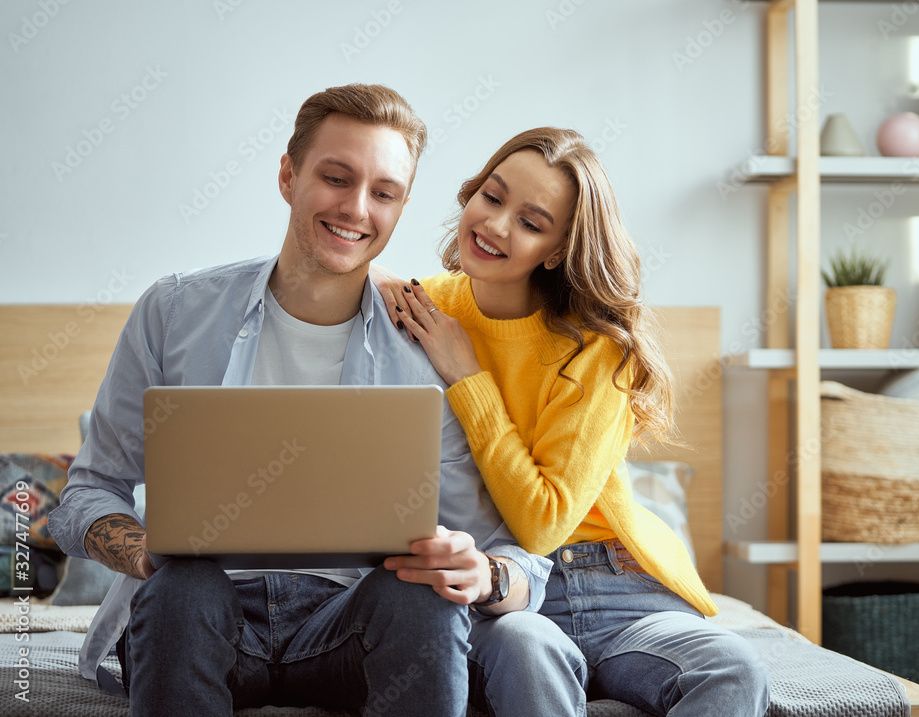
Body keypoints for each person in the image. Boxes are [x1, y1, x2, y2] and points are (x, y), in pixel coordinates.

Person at [48, 86, 589, 717]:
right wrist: (141, 550)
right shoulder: (173, 314)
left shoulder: (432, 350)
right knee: (182, 586)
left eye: (383, 193)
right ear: (287, 175)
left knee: (418, 597)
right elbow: (84, 496)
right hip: (204, 617)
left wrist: (486, 573)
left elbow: (522, 554)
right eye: (336, 178)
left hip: (350, 628)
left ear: (402, 206)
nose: (357, 209)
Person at [373, 127, 772, 716]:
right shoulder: (422, 308)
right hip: (507, 589)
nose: (496, 225)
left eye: (531, 223)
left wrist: (467, 377)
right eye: (492, 196)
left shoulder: (597, 350)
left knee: (733, 668)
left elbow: (544, 522)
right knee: (527, 651)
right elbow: (342, 282)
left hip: (620, 584)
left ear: (558, 251)